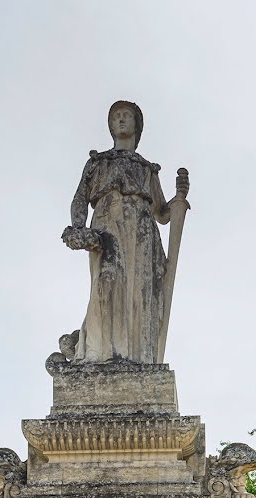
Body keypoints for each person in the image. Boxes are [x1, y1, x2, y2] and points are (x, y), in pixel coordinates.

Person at [63, 100, 189, 364]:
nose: (121, 119)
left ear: (136, 126)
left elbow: (162, 213)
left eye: (126, 116)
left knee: (141, 293)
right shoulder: (98, 163)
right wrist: (78, 227)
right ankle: (101, 353)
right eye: (116, 116)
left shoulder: (146, 168)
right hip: (107, 226)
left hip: (142, 231)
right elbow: (80, 198)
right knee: (106, 282)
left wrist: (179, 199)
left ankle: (137, 359)